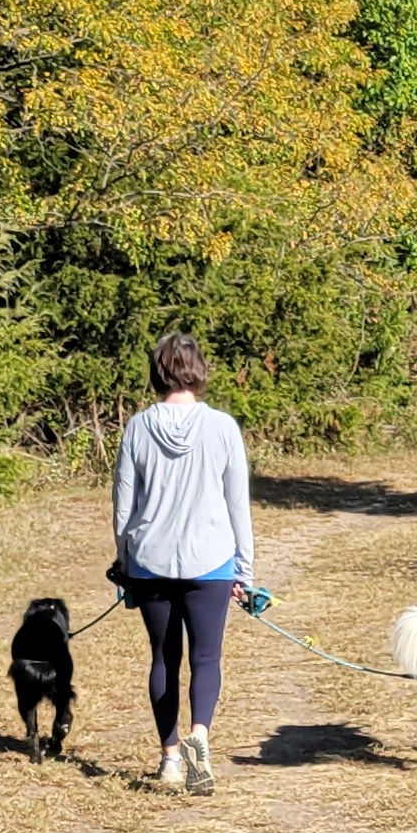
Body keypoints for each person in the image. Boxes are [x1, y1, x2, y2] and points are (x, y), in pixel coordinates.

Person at [111, 330, 253, 795]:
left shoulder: (136, 428)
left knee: (164, 659)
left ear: (158, 372)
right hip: (211, 562)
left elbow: (122, 508)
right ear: (199, 372)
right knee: (206, 657)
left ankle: (171, 758)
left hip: (150, 563)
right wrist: (244, 572)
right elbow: (238, 506)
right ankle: (201, 736)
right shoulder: (223, 428)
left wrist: (124, 562)